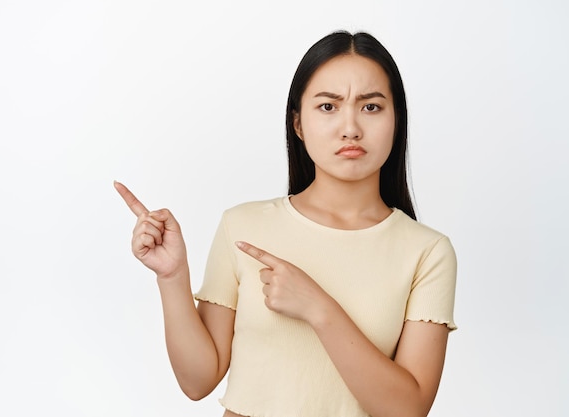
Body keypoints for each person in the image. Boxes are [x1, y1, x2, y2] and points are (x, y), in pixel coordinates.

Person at [114, 30, 457, 417]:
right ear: (298, 124)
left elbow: (407, 410)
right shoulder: (241, 226)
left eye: (371, 107)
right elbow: (197, 382)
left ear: (397, 120)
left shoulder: (427, 252)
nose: (350, 128)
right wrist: (172, 277)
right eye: (328, 107)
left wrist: (319, 309)